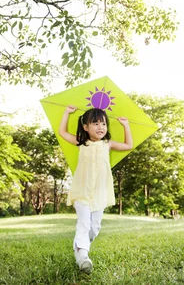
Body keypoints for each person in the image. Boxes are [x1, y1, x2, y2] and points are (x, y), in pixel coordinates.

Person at [59, 105, 133, 274]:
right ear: (86, 127)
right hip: (82, 190)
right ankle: (83, 257)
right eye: (95, 123)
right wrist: (67, 113)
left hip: (100, 192)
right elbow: (62, 132)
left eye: (104, 124)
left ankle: (79, 246)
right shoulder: (81, 142)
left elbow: (129, 145)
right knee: (84, 223)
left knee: (95, 227)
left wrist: (125, 125)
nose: (101, 127)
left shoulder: (107, 144)